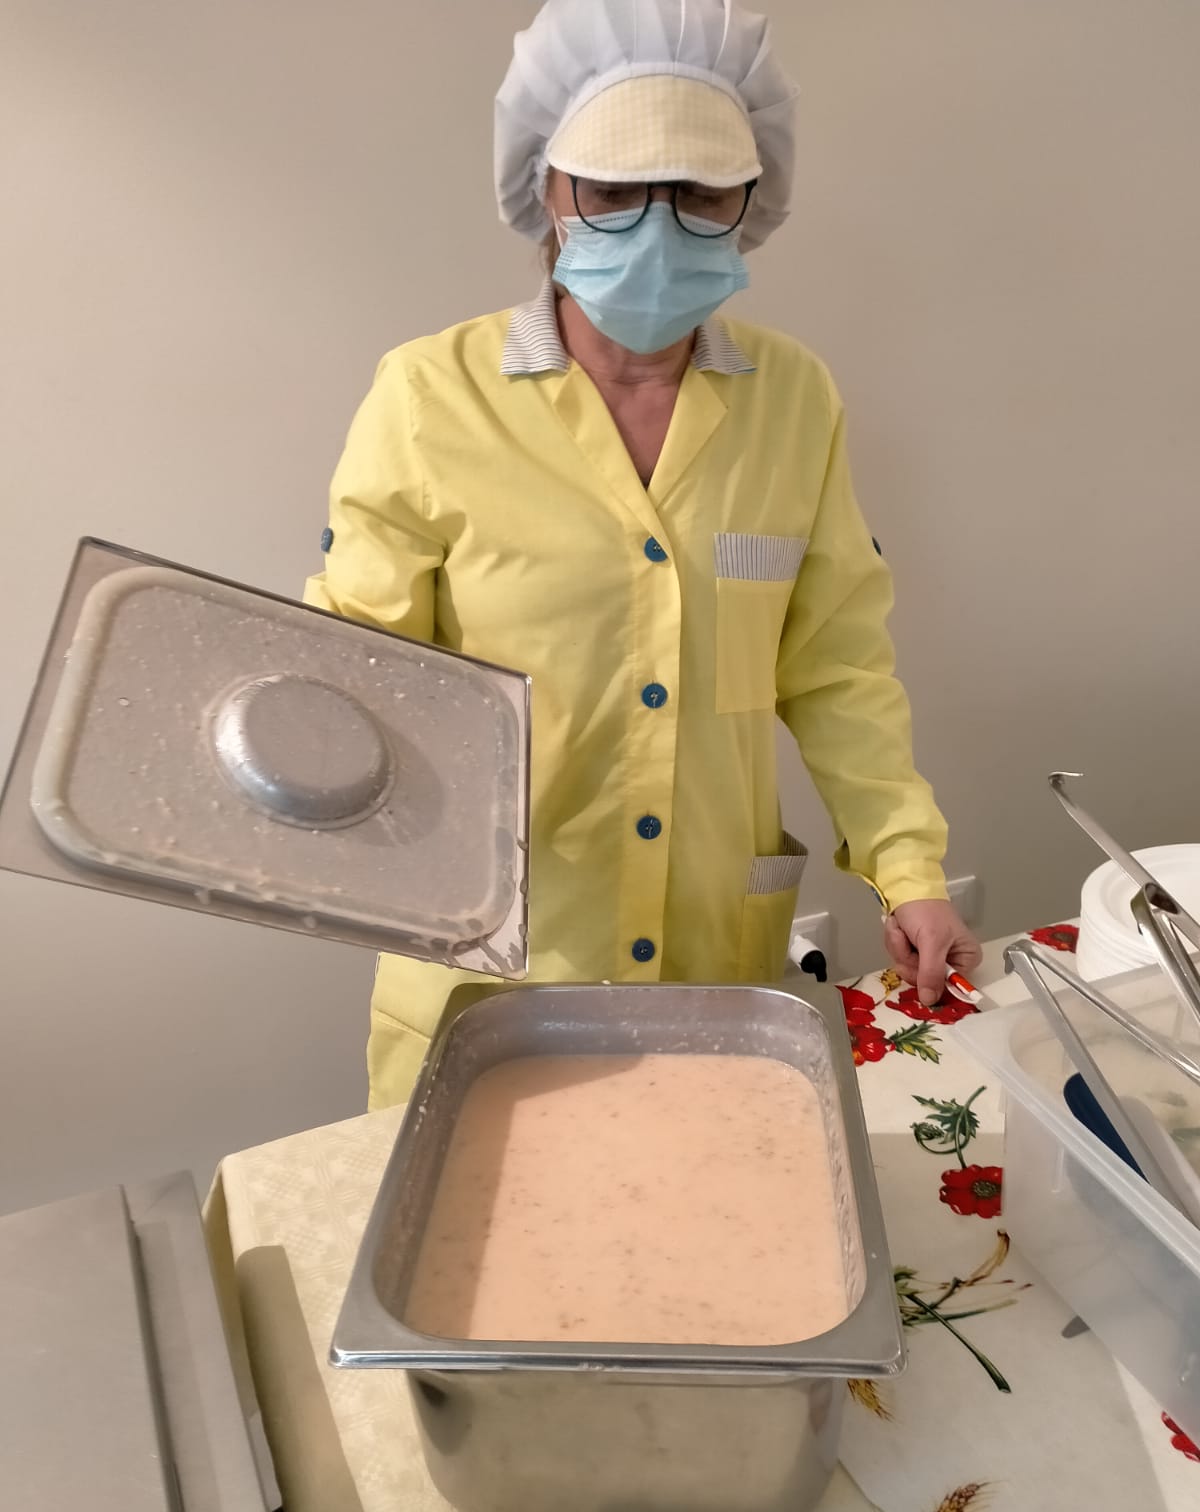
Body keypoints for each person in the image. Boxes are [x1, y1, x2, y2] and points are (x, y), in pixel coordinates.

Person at [306, 0, 982, 1108]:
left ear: (750, 201)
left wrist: (907, 869)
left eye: (701, 191)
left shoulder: (793, 399)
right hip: (499, 968)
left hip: (714, 961)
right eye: (615, 188)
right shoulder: (430, 396)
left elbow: (837, 669)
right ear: (548, 190)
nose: (657, 225)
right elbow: (359, 677)